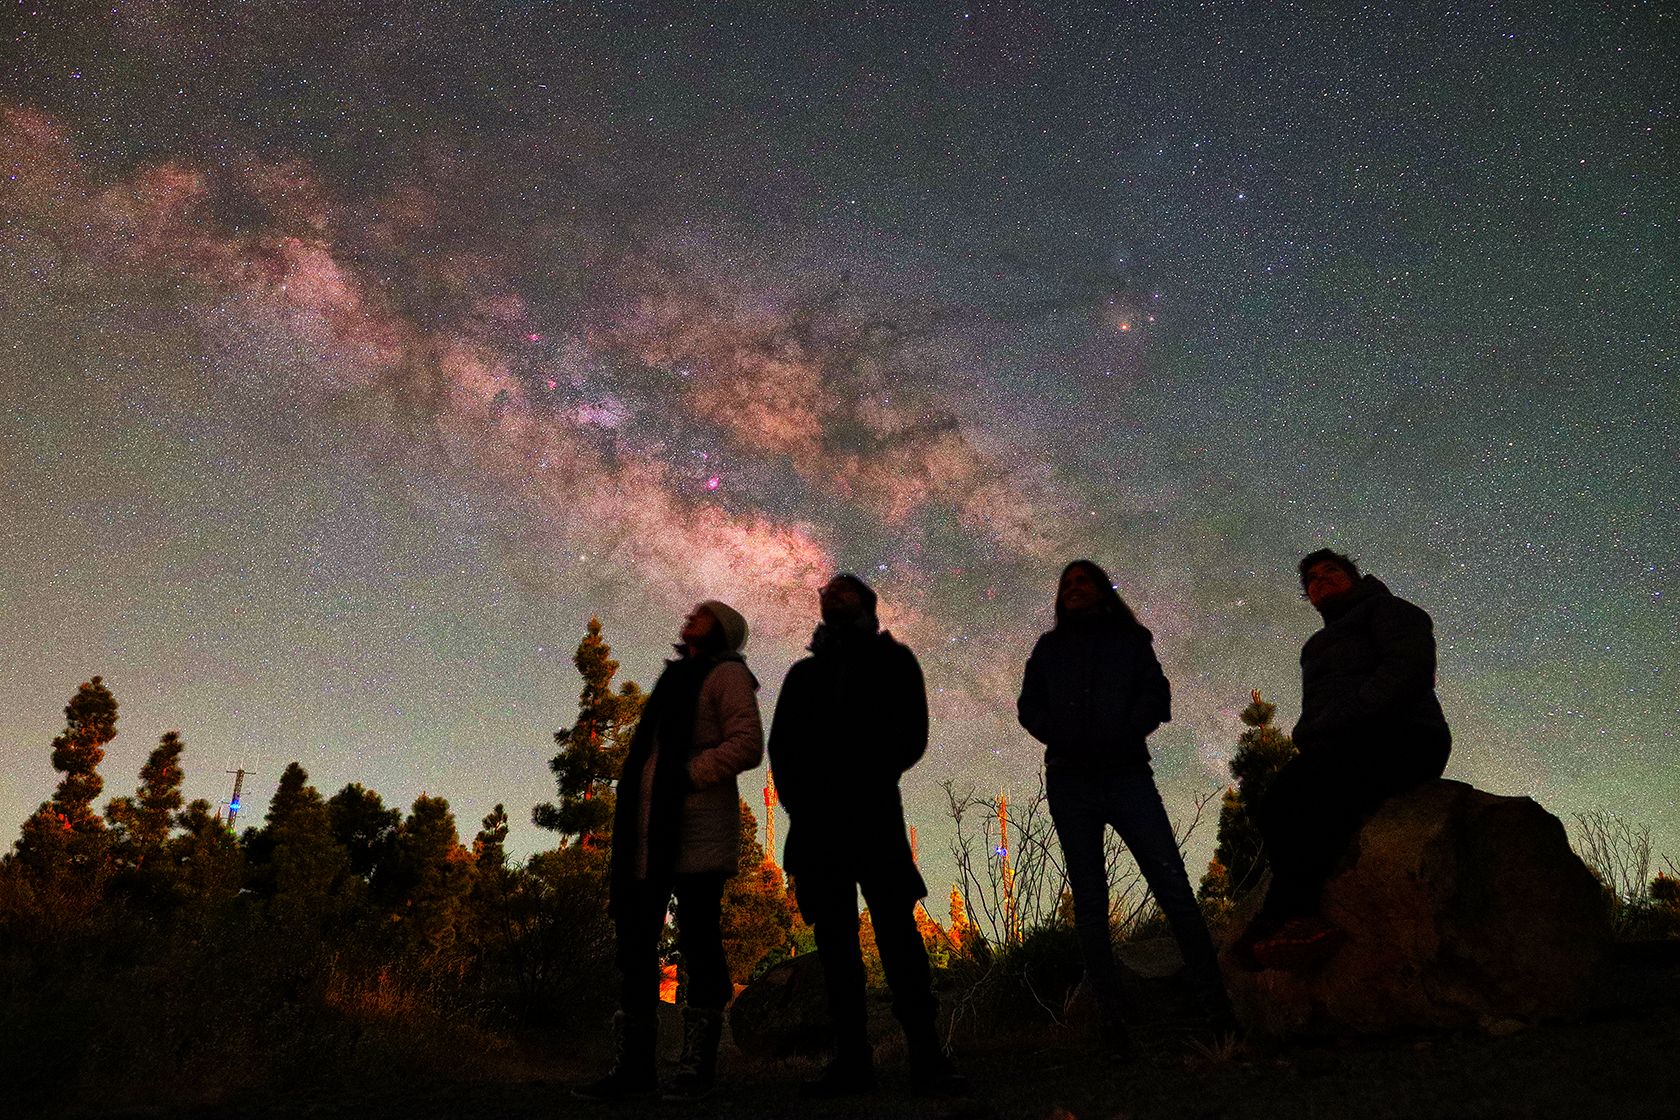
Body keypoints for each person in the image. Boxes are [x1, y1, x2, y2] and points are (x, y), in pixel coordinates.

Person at [1017, 560, 1235, 1051]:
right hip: (1071, 781)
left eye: (1083, 581)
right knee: (1090, 903)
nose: (1073, 589)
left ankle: (1218, 1010)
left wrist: (1123, 731)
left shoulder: (1131, 640)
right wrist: (1063, 735)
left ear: (1101, 591)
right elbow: (1028, 707)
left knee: (1172, 887)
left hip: (1126, 775)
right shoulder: (1048, 649)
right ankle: (1112, 1024)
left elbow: (1157, 695)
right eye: (1066, 584)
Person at [767, 574, 964, 1097]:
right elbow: (781, 751)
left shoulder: (894, 662)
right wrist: (802, 805)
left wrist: (866, 772)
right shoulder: (803, 676)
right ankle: (852, 1060)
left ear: (868, 605)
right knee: (835, 943)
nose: (833, 596)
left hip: (875, 815)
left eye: (845, 592)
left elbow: (912, 735)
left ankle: (926, 1054)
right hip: (817, 825)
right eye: (827, 593)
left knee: (898, 934)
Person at [575, 600, 764, 1102]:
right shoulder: (675, 681)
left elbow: (748, 743)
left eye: (703, 613)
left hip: (697, 832)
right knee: (636, 945)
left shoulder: (726, 676)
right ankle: (633, 1072)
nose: (691, 615)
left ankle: (695, 1070)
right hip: (650, 835)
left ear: (722, 629)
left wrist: (687, 776)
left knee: (699, 944)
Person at [1235, 549, 1452, 970]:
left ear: (1354, 576)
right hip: (1342, 744)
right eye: (1311, 580)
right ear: (1309, 598)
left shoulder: (1388, 609)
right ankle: (1288, 916)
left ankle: (1293, 916)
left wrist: (1354, 716)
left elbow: (1409, 668)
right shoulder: (1315, 645)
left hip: (1403, 735)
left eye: (1331, 570)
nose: (1320, 580)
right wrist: (1308, 734)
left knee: (1307, 796)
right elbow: (1320, 706)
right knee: (1278, 799)